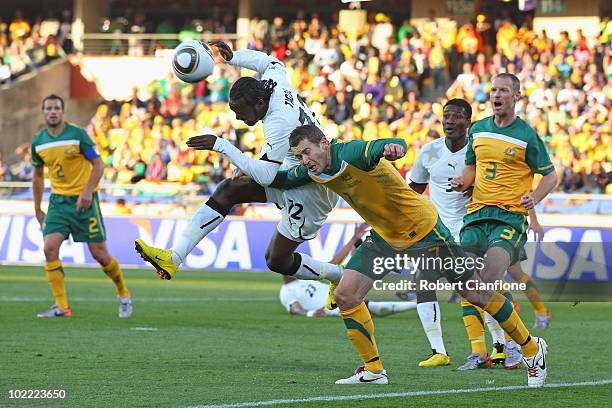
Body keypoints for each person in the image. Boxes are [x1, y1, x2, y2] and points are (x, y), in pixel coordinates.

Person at [268, 124, 548, 387]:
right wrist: (249, 174)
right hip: (385, 236)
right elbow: (282, 179)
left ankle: (532, 350)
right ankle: (374, 370)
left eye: (307, 152)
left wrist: (395, 148)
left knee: (476, 294)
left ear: (323, 144)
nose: (304, 160)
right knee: (345, 295)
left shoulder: (349, 152)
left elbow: (388, 145)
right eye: (299, 156)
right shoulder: (313, 170)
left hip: (424, 230)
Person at [135, 43, 342, 289]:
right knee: (228, 190)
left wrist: (221, 145)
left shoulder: (278, 121)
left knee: (276, 260)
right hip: (294, 171)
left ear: (259, 104)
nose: (238, 118)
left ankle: (339, 277)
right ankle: (173, 257)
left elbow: (266, 175)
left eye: (241, 111)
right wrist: (234, 58)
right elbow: (272, 63)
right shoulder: (273, 84)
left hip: (312, 190)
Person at [409, 98, 550, 370]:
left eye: (456, 116)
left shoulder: (481, 150)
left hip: (476, 225)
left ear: (469, 122)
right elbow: (412, 191)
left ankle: (507, 344)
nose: (449, 121)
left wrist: (532, 217)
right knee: (423, 282)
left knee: (481, 287)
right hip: (439, 232)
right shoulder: (429, 152)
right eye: (445, 116)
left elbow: (514, 183)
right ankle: (441, 350)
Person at [452, 73, 557, 384]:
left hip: (508, 218)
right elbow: (471, 166)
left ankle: (520, 347)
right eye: (493, 89)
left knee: (488, 282)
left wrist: (534, 197)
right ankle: (529, 346)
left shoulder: (526, 135)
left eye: (503, 90)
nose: (496, 95)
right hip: (475, 216)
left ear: (516, 97)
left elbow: (550, 176)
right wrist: (463, 181)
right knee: (467, 287)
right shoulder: (479, 130)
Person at [31, 94, 132, 318]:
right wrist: (37, 207)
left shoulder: (78, 135)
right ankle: (62, 306)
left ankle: (124, 293)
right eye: (48, 108)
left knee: (100, 255)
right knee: (49, 248)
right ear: (43, 112)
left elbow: (98, 165)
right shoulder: (38, 142)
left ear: (63, 111)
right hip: (58, 202)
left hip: (85, 202)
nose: (53, 111)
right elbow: (37, 177)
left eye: (56, 107)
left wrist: (87, 192)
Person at [280, 223, 416, 317]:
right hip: (330, 309)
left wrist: (354, 238)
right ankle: (416, 303)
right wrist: (310, 313)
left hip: (340, 296)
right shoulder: (286, 292)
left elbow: (332, 264)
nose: (289, 268)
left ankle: (415, 302)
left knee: (363, 297)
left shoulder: (304, 276)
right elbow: (295, 308)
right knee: (367, 305)